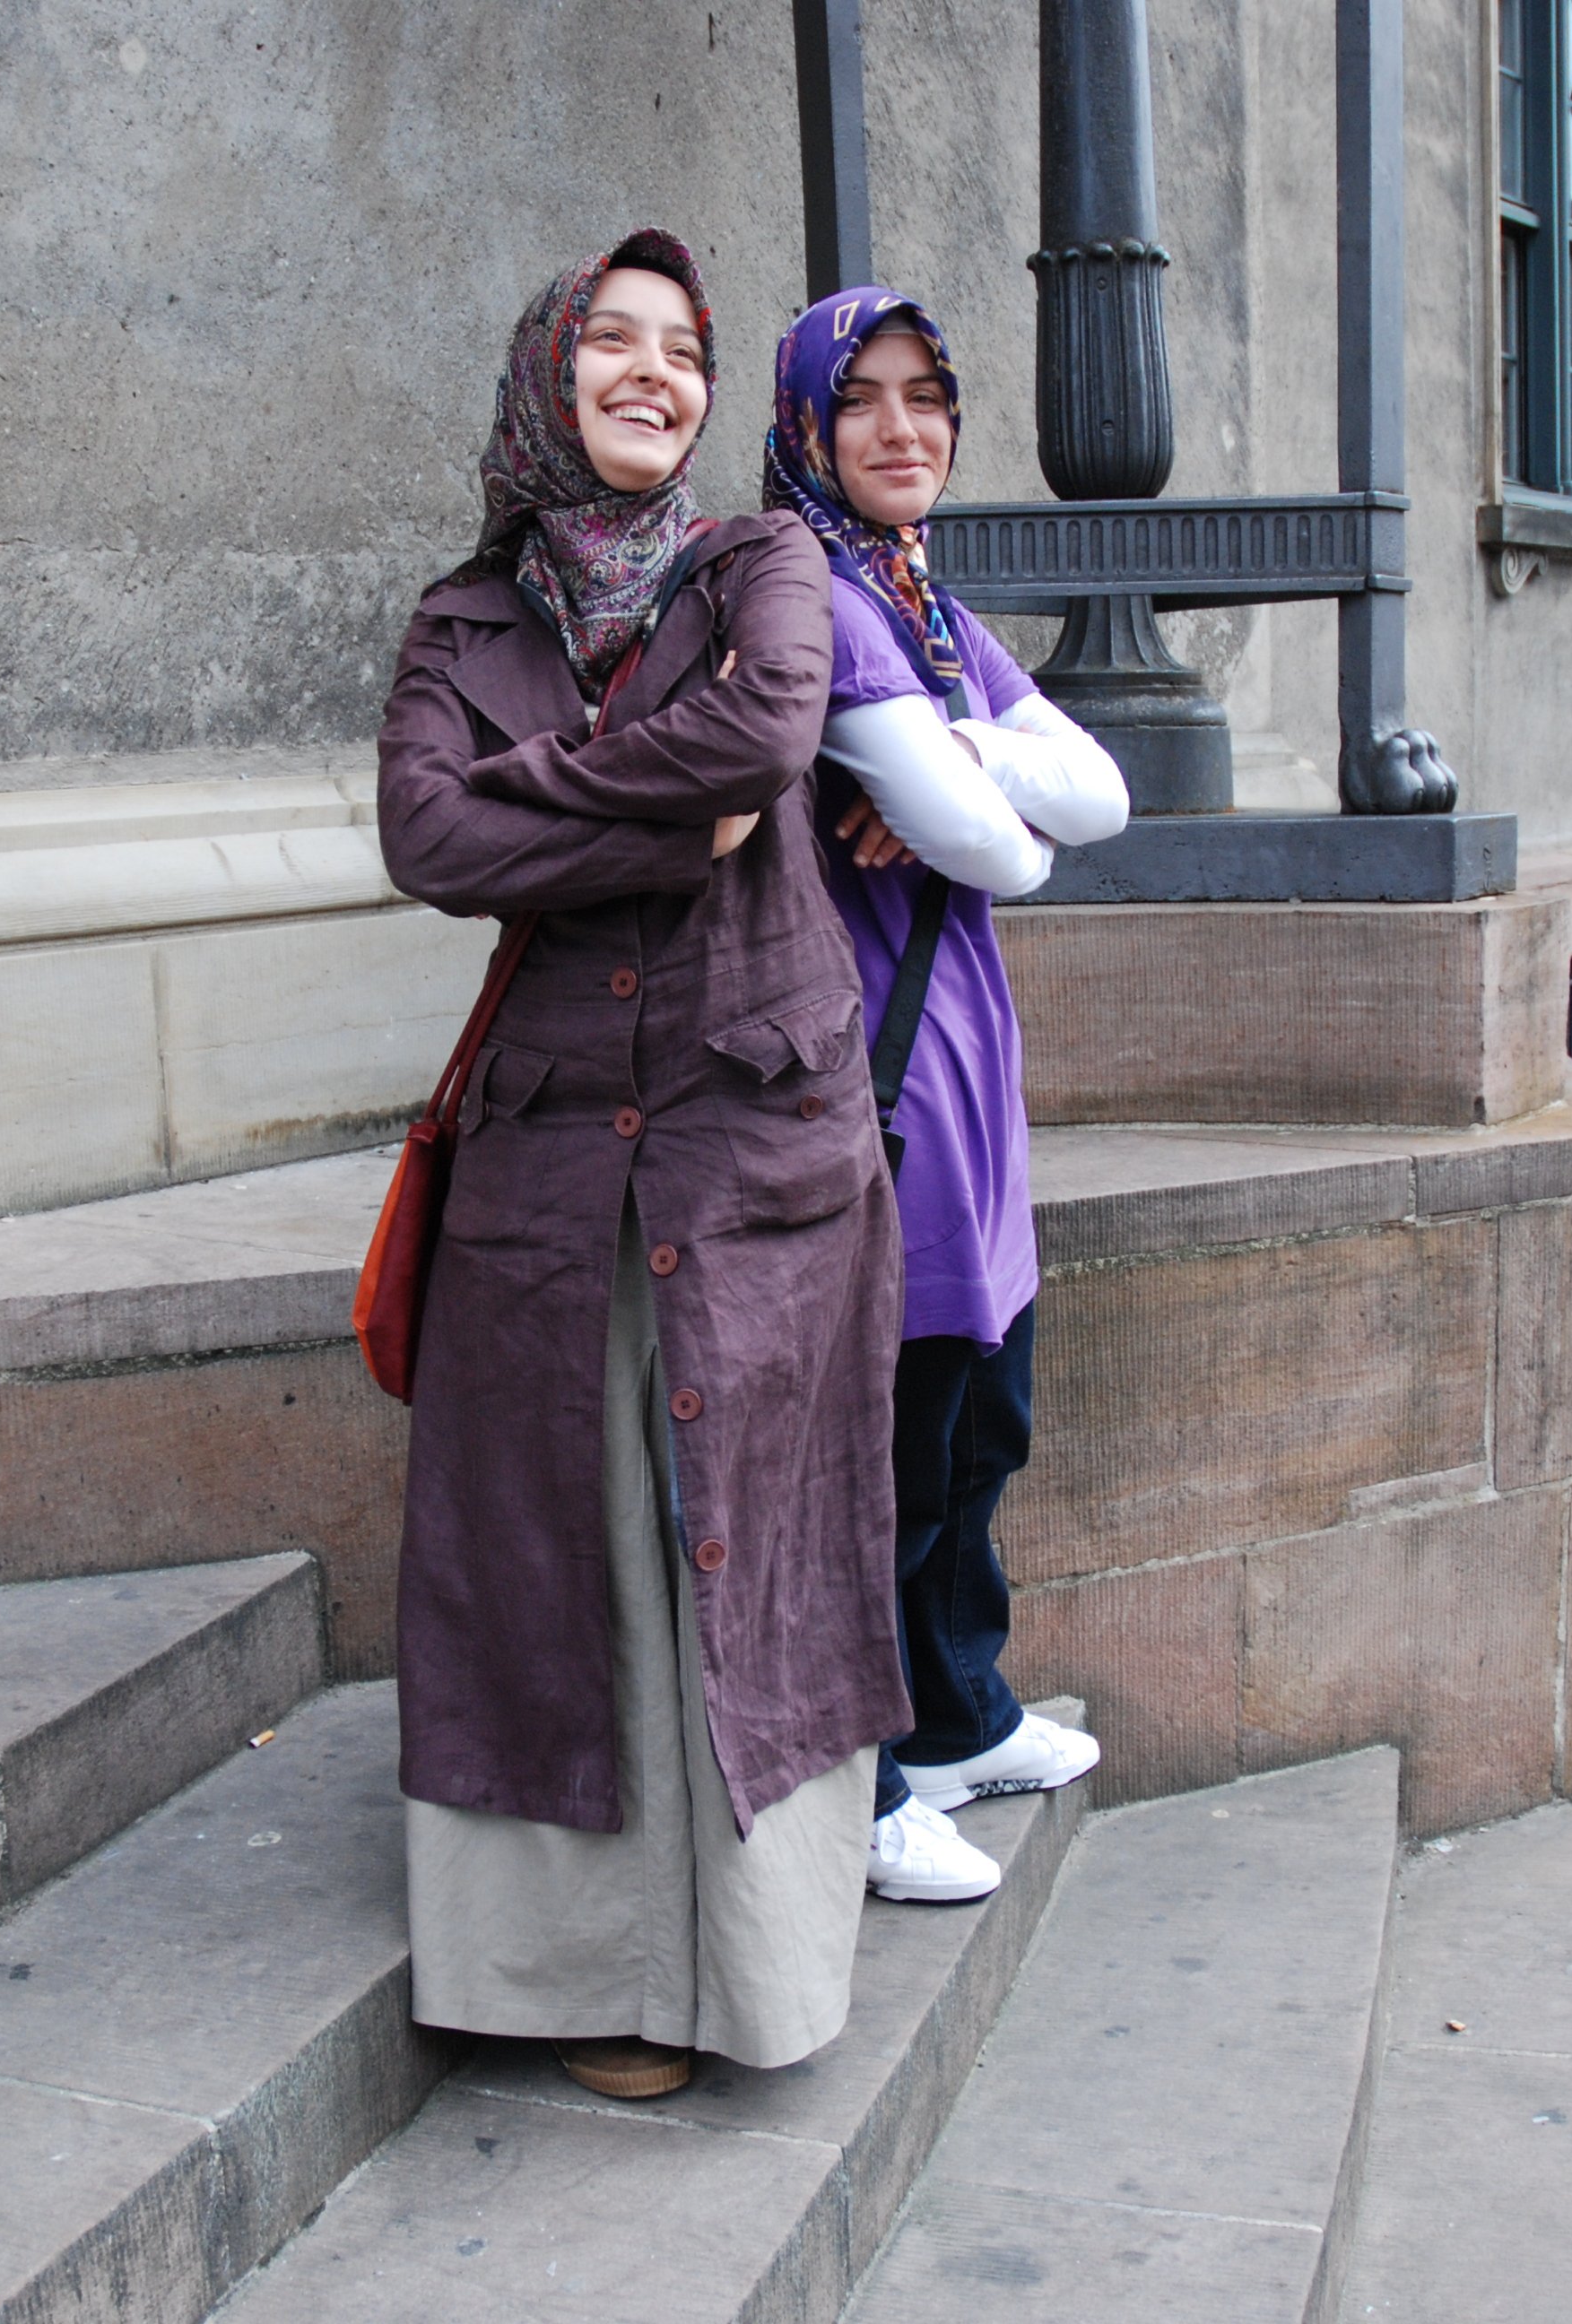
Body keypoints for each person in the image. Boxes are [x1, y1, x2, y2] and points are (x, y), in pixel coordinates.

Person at [373, 232, 909, 2104]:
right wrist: (667, 809)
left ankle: (750, 1978)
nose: (653, 373)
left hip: (749, 1126)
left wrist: (551, 801)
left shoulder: (762, 559)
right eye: (612, 339)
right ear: (549, 370)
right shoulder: (458, 619)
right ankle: (579, 1977)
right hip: (544, 1160)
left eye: (683, 349)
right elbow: (426, 840)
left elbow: (767, 728)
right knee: (566, 1543)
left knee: (744, 1536)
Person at [761, 288, 1129, 1904]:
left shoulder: (924, 608)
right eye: (864, 401)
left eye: (927, 397)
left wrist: (960, 752)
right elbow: (1001, 847)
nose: (902, 429)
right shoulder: (819, 598)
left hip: (971, 1083)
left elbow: (1094, 798)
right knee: (894, 1452)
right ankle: (876, 1770)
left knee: (984, 1421)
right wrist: (983, 794)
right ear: (804, 426)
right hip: (883, 1082)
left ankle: (965, 1710)